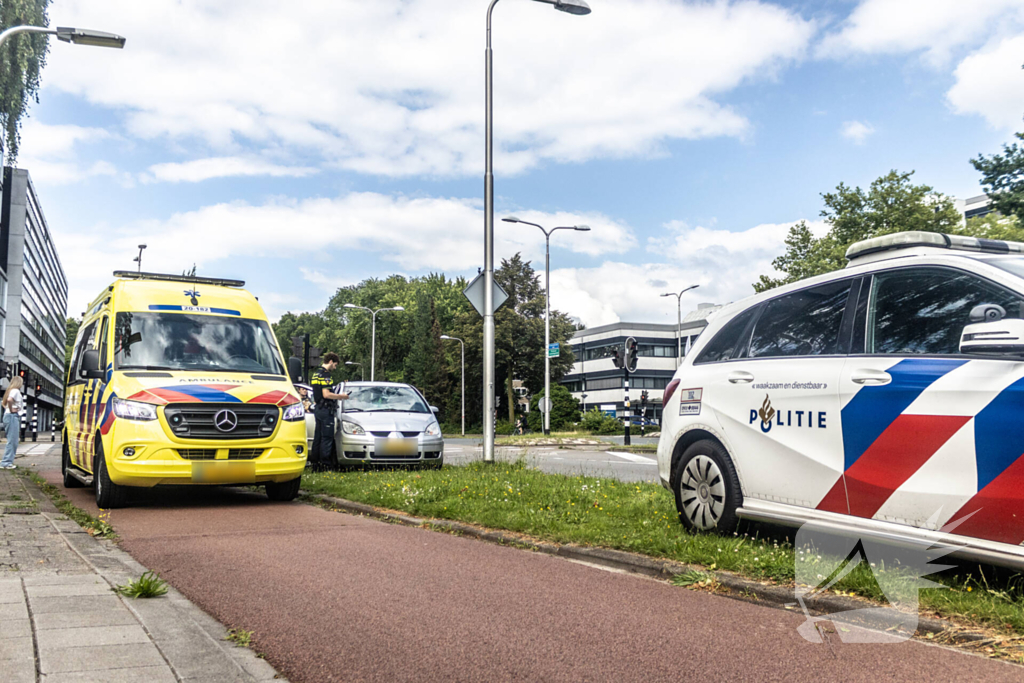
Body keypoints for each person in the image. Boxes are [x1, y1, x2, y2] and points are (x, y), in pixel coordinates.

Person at [309, 353, 349, 471]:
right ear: (331, 362)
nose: (335, 368)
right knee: (326, 437)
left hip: (318, 408)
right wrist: (341, 396)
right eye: (335, 365)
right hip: (326, 409)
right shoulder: (326, 375)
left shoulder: (316, 374)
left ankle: (315, 465)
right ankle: (325, 465)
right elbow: (326, 394)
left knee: (318, 437)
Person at [2, 377, 24, 470]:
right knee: (13, 441)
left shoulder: (9, 390)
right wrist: (11, 410)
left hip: (8, 416)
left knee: (12, 440)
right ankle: (6, 462)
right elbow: (9, 400)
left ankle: (6, 461)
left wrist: (8, 409)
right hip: (12, 416)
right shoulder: (15, 391)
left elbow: (3, 403)